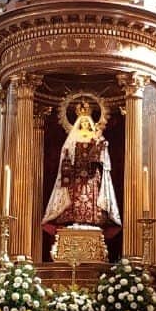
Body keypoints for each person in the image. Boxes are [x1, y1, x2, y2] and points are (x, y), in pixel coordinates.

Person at [41, 99, 121, 233]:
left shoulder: (95, 136)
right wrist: (69, 159)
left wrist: (101, 147)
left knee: (92, 194)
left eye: (87, 121)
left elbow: (103, 154)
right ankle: (74, 219)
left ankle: (93, 219)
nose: (84, 124)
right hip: (76, 173)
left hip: (92, 173)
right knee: (75, 194)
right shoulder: (74, 136)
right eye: (82, 122)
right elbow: (66, 152)